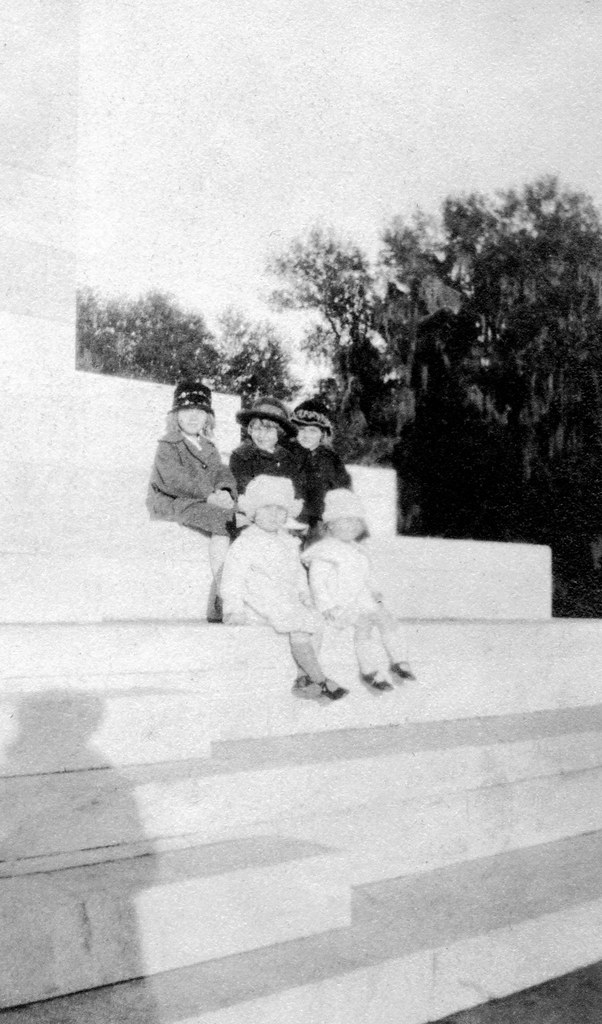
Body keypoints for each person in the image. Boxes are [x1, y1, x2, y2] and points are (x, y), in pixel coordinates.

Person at [220, 475, 348, 701]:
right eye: (267, 508)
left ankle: (303, 677)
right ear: (254, 512)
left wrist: (305, 594)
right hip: (258, 602)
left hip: (285, 600)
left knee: (315, 620)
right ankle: (321, 679)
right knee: (299, 625)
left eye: (280, 509)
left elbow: (298, 574)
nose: (274, 514)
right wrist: (233, 608)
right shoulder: (246, 542)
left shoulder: (288, 542)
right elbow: (233, 578)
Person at [303, 488, 416, 693]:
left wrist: (375, 590)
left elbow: (366, 575)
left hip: (361, 599)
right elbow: (317, 582)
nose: (351, 526)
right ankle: (369, 670)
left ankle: (399, 660)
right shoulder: (325, 550)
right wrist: (326, 605)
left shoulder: (358, 550)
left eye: (356, 521)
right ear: (330, 524)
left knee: (385, 617)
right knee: (364, 626)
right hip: (340, 602)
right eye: (344, 521)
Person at [147, 380, 237, 619]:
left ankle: (236, 586)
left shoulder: (208, 446)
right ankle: (221, 593)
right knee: (224, 521)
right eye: (187, 411)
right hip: (174, 503)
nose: (194, 416)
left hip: (199, 502)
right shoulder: (168, 445)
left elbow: (221, 472)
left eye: (200, 411)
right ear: (176, 416)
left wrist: (225, 491)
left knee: (238, 517)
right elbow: (173, 480)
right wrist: (209, 496)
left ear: (208, 418)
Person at [290, 398, 352, 538]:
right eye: (301, 429)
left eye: (313, 430)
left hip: (321, 523)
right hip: (290, 520)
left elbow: (343, 492)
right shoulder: (287, 455)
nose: (306, 435)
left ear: (323, 433)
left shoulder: (331, 459)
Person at [229, 396, 307, 500]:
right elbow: (241, 493)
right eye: (257, 429)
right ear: (250, 429)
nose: (262, 435)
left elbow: (296, 494)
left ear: (280, 433)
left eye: (269, 430)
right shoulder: (241, 457)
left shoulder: (288, 460)